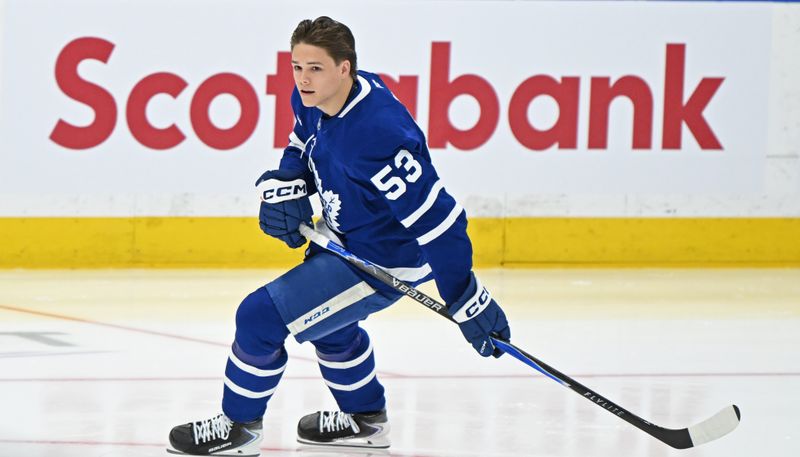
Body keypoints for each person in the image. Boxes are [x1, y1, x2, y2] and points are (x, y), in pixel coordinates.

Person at [167, 16, 511, 456]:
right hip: (345, 240)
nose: (303, 79)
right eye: (296, 66)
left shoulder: (379, 134)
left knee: (258, 318)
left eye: (315, 68)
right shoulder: (313, 98)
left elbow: (440, 224)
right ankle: (365, 421)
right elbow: (301, 140)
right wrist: (291, 183)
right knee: (331, 329)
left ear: (344, 68)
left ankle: (240, 429)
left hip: (383, 262)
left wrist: (466, 296)